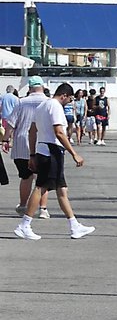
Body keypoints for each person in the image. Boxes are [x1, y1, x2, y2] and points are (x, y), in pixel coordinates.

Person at [14, 82, 94, 240]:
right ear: (64, 95)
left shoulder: (41, 106)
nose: (69, 102)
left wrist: (32, 155)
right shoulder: (55, 106)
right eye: (69, 99)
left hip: (43, 149)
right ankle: (24, 224)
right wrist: (74, 153)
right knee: (41, 188)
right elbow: (59, 132)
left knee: (62, 189)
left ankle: (74, 225)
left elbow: (32, 131)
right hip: (52, 151)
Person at [9, 78, 50, 219]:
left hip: (22, 143)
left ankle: (23, 205)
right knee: (42, 178)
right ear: (43, 87)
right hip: (43, 143)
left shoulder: (21, 102)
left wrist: (5, 140)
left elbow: (11, 123)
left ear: (30, 88)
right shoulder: (48, 102)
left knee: (25, 176)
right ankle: (43, 209)